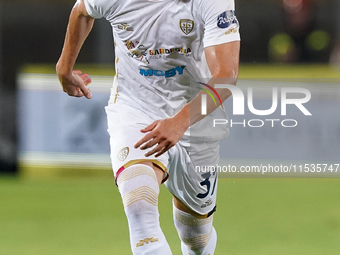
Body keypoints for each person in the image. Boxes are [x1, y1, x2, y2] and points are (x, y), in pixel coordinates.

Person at [56, 0, 240, 254]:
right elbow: (82, 11)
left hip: (196, 116)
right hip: (135, 109)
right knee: (139, 206)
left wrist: (179, 123)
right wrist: (64, 67)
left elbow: (226, 74)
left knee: (195, 236)